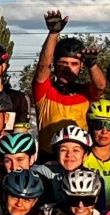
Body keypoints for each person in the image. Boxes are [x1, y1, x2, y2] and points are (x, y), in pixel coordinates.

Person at [31, 11, 104, 150]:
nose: (67, 68)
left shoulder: (86, 92)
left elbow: (101, 86)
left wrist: (93, 65)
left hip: (77, 160)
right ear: (55, 64)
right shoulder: (45, 90)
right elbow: (42, 67)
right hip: (48, 161)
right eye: (63, 63)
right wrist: (53, 34)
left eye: (74, 64)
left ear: (82, 66)